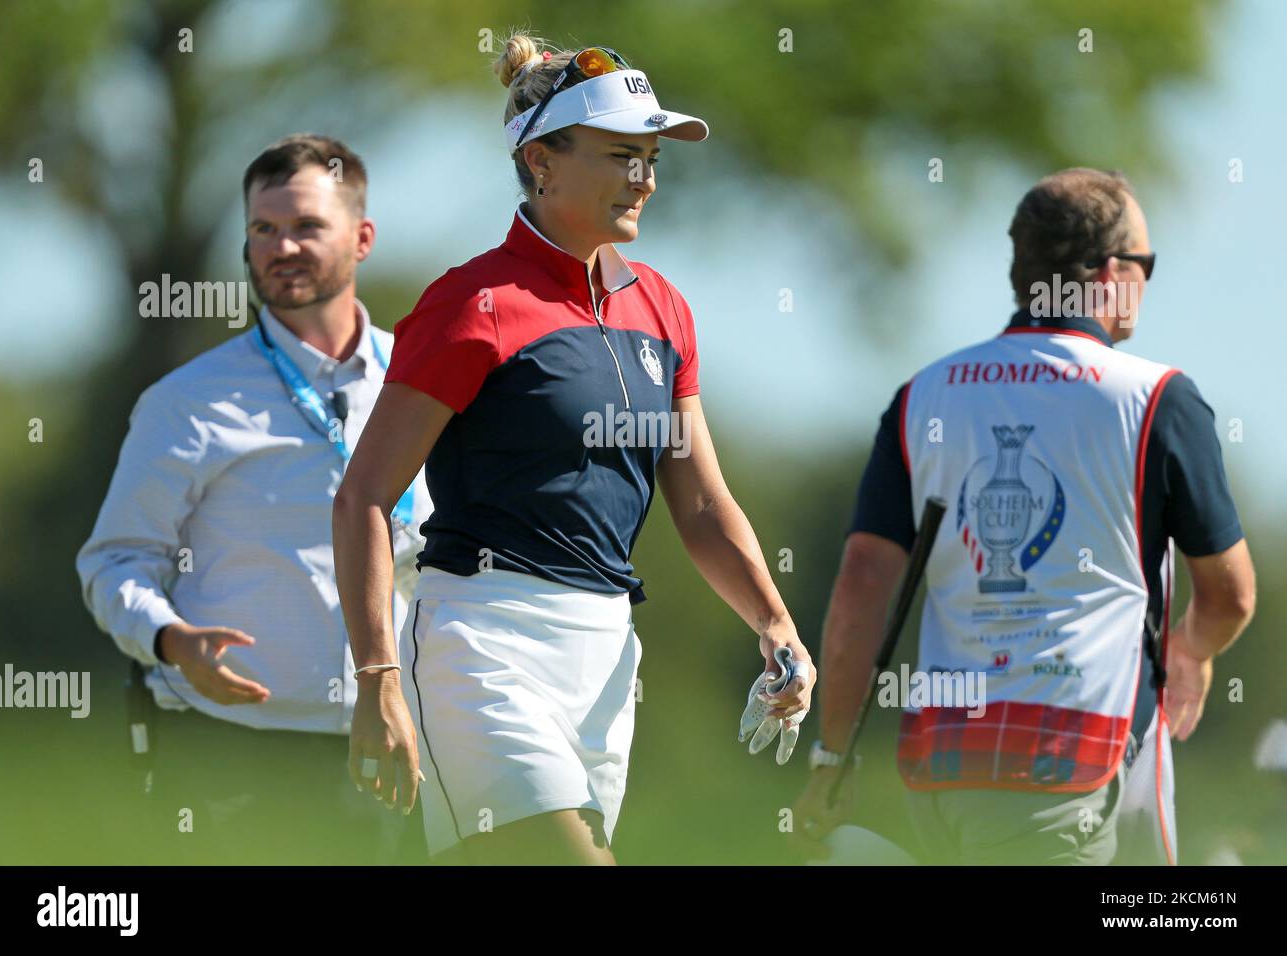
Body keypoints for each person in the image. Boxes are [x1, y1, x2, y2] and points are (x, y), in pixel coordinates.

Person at [332, 35, 815, 865]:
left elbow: (700, 502)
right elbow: (365, 496)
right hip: (481, 643)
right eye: (622, 155)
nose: (645, 178)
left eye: (652, 158)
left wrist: (776, 627)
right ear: (541, 161)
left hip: (605, 657)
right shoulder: (472, 303)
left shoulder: (663, 309)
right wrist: (377, 677)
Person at [792, 168, 1255, 865]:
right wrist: (1193, 649)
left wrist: (832, 755)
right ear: (1107, 271)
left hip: (942, 763)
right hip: (1071, 760)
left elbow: (861, 584)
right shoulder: (1158, 397)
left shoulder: (924, 394)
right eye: (1146, 265)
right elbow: (1232, 594)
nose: (1150, 283)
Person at [76, 134, 430, 864]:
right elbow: (113, 563)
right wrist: (173, 640)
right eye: (263, 230)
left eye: (306, 226)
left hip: (398, 747)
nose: (282, 247)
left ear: (362, 238)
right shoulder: (187, 400)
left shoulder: (427, 385)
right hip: (225, 757)